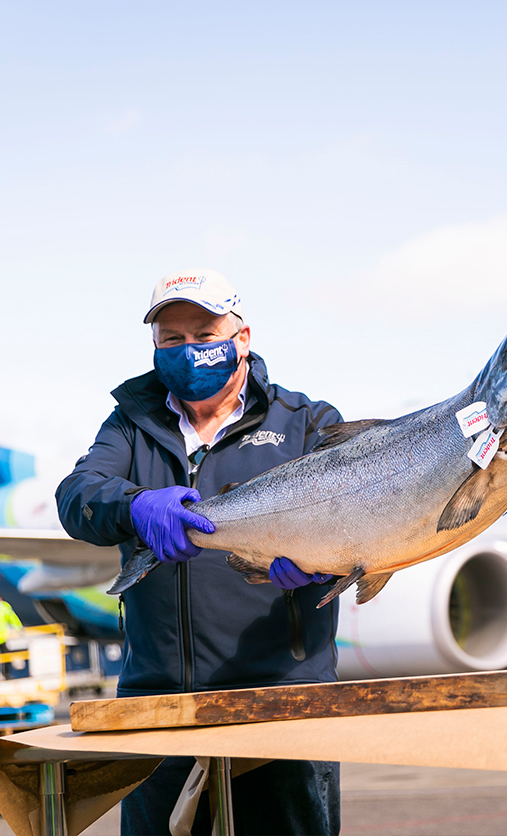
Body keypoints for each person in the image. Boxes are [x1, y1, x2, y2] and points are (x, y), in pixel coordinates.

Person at [57, 270, 343, 835]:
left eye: (205, 333)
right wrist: (136, 505)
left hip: (281, 703)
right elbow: (77, 496)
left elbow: (353, 521)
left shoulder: (307, 424)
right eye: (172, 338)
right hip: (156, 709)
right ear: (154, 346)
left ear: (243, 338)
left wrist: (322, 567)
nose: (188, 349)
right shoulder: (131, 424)